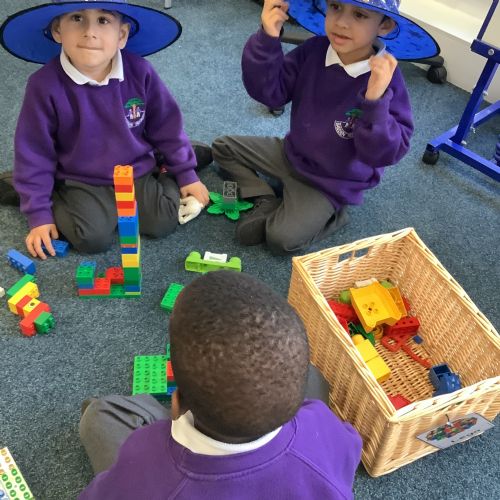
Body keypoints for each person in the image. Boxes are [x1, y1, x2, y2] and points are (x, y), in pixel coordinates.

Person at [78, 271, 362, 499]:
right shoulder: (321, 424)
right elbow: (349, 449)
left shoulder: (145, 459)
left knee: (100, 415)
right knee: (314, 377)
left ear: (177, 404)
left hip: (170, 472)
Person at [212, 0, 439, 255]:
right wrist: (268, 38)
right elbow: (271, 93)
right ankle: (264, 197)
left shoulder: (386, 78)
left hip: (330, 182)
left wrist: (374, 100)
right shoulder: (314, 49)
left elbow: (383, 154)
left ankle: (333, 215)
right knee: (223, 147)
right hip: (291, 154)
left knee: (280, 239)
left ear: (384, 25)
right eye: (335, 6)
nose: (341, 22)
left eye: (359, 14)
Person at [0, 0, 212, 258]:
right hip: (81, 178)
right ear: (57, 30)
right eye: (77, 18)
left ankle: (168, 165)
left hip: (135, 169)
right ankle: (28, 188)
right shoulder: (43, 85)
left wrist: (186, 174)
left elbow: (166, 125)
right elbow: (34, 151)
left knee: (163, 222)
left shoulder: (140, 71)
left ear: (121, 35)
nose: (90, 32)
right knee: (91, 239)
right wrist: (38, 213)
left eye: (103, 20)